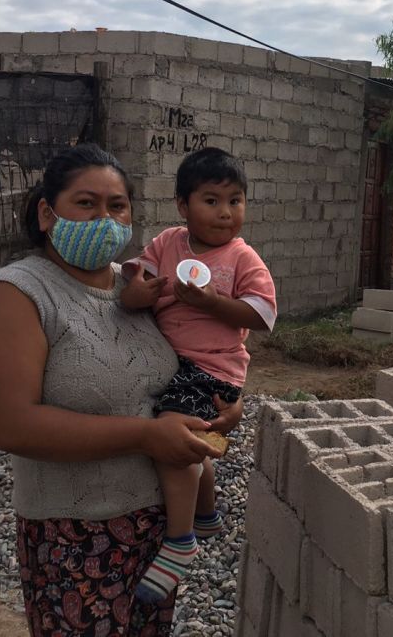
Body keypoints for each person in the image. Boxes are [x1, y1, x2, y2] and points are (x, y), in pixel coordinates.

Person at [0, 143, 241, 636]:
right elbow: (11, 425)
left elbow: (190, 359)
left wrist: (221, 407)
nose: (105, 218)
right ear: (48, 213)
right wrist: (144, 436)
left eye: (117, 206)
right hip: (73, 534)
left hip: (155, 530)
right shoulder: (18, 293)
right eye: (86, 203)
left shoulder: (138, 285)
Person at [119, 147, 276, 602]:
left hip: (211, 369)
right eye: (211, 200)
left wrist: (211, 304)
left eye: (236, 200)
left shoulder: (243, 258)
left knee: (173, 443)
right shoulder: (168, 243)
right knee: (197, 448)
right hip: (171, 365)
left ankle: (180, 540)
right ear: (183, 206)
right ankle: (206, 513)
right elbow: (136, 282)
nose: (226, 213)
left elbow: (263, 314)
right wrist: (136, 296)